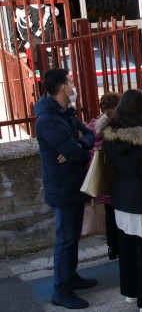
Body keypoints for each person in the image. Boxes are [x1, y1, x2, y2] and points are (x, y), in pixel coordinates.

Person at [34, 68, 97, 309]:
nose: (73, 85)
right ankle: (60, 290)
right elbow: (78, 154)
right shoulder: (49, 120)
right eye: (70, 81)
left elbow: (88, 135)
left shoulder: (64, 111)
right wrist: (78, 147)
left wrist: (79, 144)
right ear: (63, 87)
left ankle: (70, 277)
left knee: (71, 237)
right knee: (65, 239)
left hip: (72, 183)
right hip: (63, 187)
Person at [98, 89, 142, 311]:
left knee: (127, 247)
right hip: (141, 200)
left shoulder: (110, 132)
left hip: (119, 198)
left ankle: (130, 293)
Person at [85, 92, 121, 261]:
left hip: (101, 182)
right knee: (118, 215)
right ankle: (120, 246)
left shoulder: (91, 128)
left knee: (109, 215)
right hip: (116, 182)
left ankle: (111, 247)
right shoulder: (117, 128)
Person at [15, 0, 59, 69]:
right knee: (37, 78)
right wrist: (41, 44)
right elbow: (25, 34)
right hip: (34, 50)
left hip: (50, 49)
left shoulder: (50, 10)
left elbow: (54, 28)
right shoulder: (23, 11)